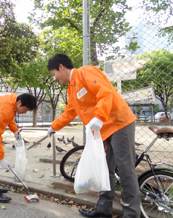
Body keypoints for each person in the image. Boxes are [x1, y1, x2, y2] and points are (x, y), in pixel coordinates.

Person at [46, 54, 140, 218]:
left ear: (61, 67)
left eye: (54, 74)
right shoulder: (71, 88)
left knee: (126, 171)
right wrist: (54, 127)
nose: (55, 78)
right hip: (102, 130)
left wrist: (99, 116)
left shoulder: (85, 72)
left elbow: (105, 92)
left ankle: (131, 214)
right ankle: (103, 210)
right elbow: (69, 112)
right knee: (104, 170)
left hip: (119, 123)